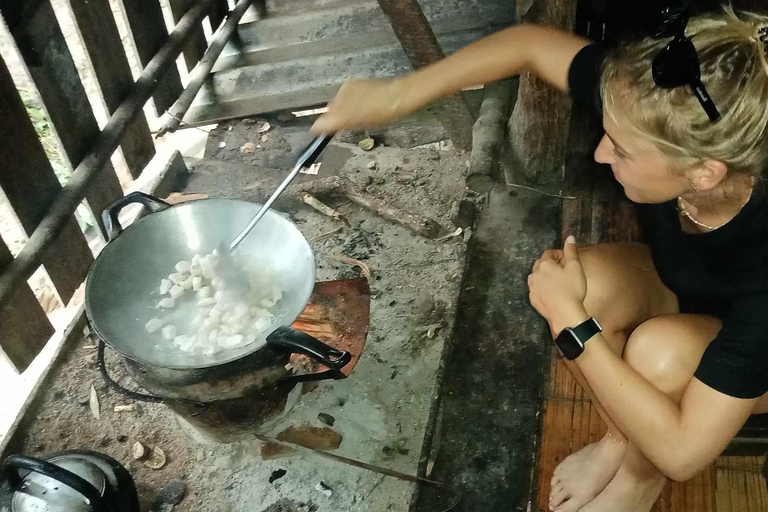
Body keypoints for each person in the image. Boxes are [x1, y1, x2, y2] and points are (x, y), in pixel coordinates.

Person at [311, 6, 768, 512]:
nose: (598, 154)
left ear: (704, 173)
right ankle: (622, 438)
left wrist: (572, 322)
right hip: (693, 285)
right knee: (585, 285)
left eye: (621, 149)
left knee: (655, 351)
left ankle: (637, 482)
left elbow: (685, 454)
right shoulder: (663, 108)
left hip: (758, 360)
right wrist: (397, 94)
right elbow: (527, 43)